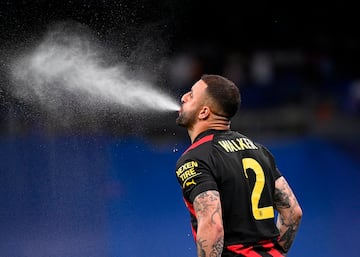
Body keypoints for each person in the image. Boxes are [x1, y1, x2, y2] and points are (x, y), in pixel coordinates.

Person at [175, 74, 302, 257]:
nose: (183, 97)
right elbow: (293, 213)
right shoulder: (259, 150)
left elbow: (212, 226)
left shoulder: (196, 158)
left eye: (191, 95)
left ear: (204, 112)